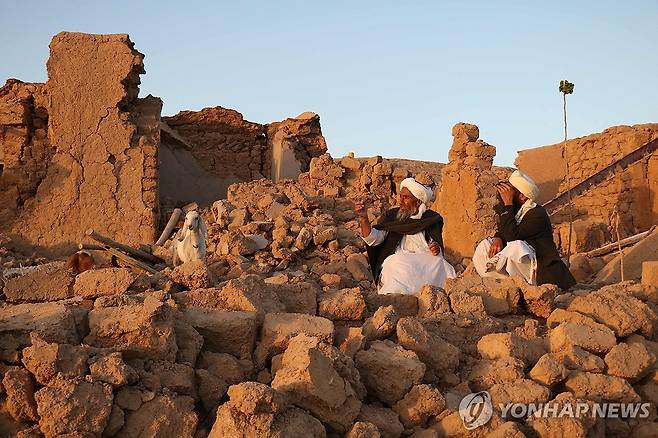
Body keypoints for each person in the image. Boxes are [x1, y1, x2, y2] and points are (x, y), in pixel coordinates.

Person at [473, 170, 576, 290]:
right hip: (521, 266)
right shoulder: (517, 210)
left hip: (540, 269)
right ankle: (505, 286)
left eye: (511, 192)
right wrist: (498, 238)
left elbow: (513, 235)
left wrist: (508, 203)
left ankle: (525, 287)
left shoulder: (537, 213)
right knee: (485, 245)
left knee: (516, 247)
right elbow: (505, 229)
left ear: (522, 196)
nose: (506, 194)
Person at [355, 177, 456, 295]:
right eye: (401, 196)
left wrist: (436, 249)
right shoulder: (392, 216)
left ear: (418, 201)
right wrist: (363, 218)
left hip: (423, 260)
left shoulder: (431, 219)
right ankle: (396, 296)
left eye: (406, 197)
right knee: (398, 262)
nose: (401, 201)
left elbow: (436, 247)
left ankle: (432, 295)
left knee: (442, 265)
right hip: (400, 260)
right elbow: (373, 240)